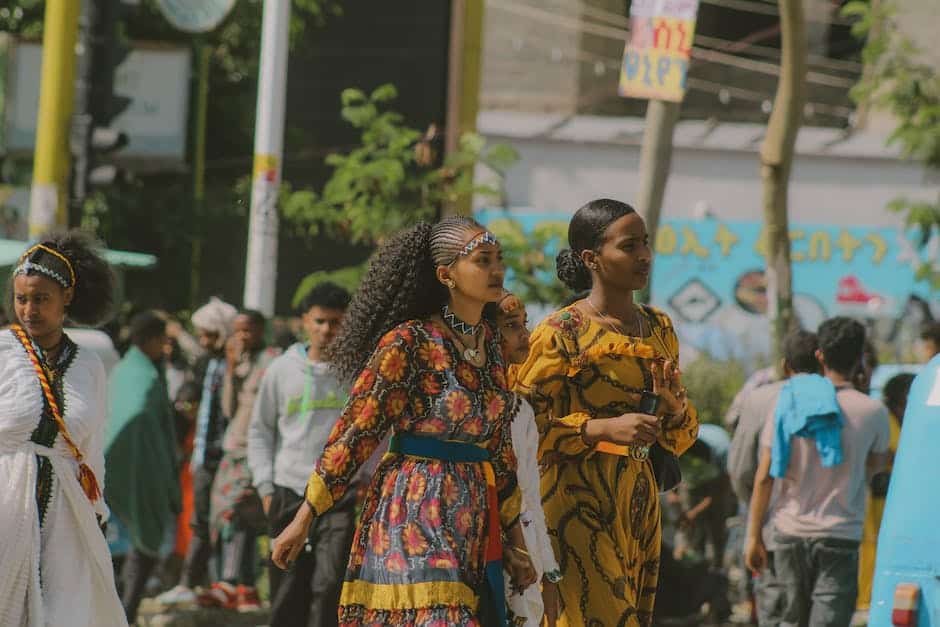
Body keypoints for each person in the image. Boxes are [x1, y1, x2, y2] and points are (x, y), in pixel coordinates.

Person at [271, 217, 537, 625]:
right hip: (414, 506)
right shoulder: (408, 342)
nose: (497, 270)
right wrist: (304, 518)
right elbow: (358, 430)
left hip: (472, 514)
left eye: (499, 259)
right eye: (483, 260)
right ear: (446, 274)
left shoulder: (491, 348)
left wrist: (515, 543)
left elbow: (499, 451)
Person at [513, 199, 700, 627]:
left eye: (646, 244)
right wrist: (601, 428)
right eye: (629, 246)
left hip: (638, 504)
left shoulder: (659, 328)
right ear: (591, 258)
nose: (644, 256)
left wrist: (675, 408)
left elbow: (680, 436)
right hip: (574, 503)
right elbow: (520, 427)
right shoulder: (561, 332)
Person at [0, 231, 127, 625]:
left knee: (64, 609)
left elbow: (91, 447)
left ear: (67, 298)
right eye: (22, 299)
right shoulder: (2, 351)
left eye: (41, 299)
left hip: (65, 509)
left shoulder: (89, 364)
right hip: (6, 499)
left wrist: (97, 509)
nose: (29, 309)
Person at [745, 317, 892, 627]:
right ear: (860, 358)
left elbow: (765, 476)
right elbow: (874, 468)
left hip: (788, 533)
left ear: (820, 356)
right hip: (840, 534)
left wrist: (753, 536)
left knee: (791, 621)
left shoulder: (787, 404)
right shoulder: (873, 411)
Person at [248, 282, 355, 627]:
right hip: (287, 493)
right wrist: (266, 488)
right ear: (305, 322)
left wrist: (365, 478)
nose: (326, 330)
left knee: (329, 586)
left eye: (335, 322)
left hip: (339, 497)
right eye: (320, 321)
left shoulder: (356, 372)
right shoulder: (281, 370)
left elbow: (372, 433)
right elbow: (260, 430)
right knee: (285, 592)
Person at [727, 329, 820, 625]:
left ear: (783, 365)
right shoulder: (837, 398)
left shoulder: (760, 399)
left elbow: (741, 468)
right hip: (826, 528)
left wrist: (755, 510)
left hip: (772, 526)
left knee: (776, 609)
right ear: (821, 360)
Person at [484, 292, 562, 627]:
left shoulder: (520, 410)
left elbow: (531, 496)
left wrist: (550, 573)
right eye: (512, 326)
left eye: (524, 324)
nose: (525, 335)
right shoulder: (462, 406)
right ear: (484, 333)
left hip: (525, 558)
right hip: (477, 550)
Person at [156, 297, 238, 607]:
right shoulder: (206, 362)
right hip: (203, 453)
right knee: (199, 520)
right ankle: (193, 581)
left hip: (224, 453)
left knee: (219, 522)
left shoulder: (233, 363)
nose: (204, 341)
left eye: (209, 335)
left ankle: (214, 582)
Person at [105, 310, 181, 622]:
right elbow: (138, 426)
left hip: (113, 474)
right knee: (141, 545)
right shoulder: (144, 380)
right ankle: (124, 614)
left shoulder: (125, 370)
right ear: (150, 339)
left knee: (123, 550)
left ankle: (122, 613)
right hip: (136, 473)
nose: (166, 347)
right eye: (163, 340)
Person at [201, 310, 279, 611]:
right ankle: (235, 583)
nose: (241, 337)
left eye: (247, 330)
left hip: (255, 451)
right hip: (233, 448)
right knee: (224, 514)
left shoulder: (273, 361)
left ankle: (235, 581)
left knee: (238, 510)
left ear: (260, 330)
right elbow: (228, 410)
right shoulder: (239, 363)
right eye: (237, 331)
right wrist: (231, 370)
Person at [855, 372, 915, 619]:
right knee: (872, 545)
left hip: (892, 495)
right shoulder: (885, 419)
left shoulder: (900, 421)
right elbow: (887, 455)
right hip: (880, 495)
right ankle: (866, 600)